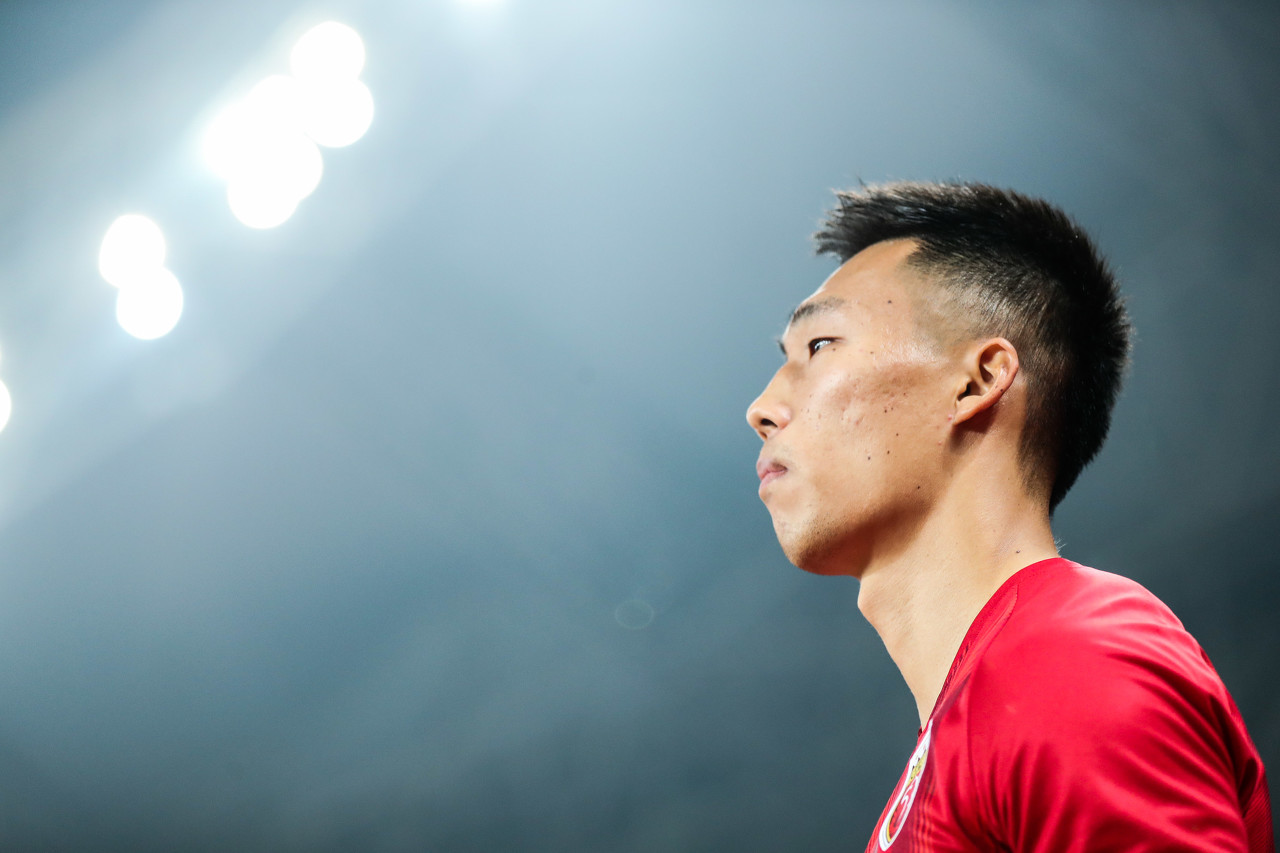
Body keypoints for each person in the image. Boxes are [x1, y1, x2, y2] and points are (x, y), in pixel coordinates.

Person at [746, 181, 1272, 852]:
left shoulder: (1068, 660)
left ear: (977, 380)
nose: (761, 409)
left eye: (820, 345)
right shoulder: (977, 721)